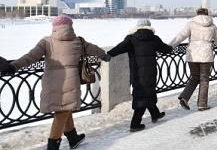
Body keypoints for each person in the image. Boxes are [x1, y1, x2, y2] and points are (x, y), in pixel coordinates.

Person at [6, 15, 110, 150]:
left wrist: (14, 66)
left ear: (54, 28)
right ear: (70, 27)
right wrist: (105, 55)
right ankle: (53, 144)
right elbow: (95, 49)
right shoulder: (79, 41)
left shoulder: (46, 42)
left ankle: (72, 138)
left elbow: (30, 57)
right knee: (63, 110)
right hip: (70, 81)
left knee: (64, 109)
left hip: (51, 81)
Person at [107, 19, 174, 132]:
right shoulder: (154, 38)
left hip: (137, 73)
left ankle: (151, 116)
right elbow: (166, 50)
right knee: (147, 93)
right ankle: (136, 123)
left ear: (137, 27)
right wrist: (171, 47)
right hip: (151, 72)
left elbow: (119, 48)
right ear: (149, 27)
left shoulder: (131, 39)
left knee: (142, 94)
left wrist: (108, 54)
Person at [170, 8, 217, 111]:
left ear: (197, 14)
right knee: (204, 79)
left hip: (192, 55)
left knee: (195, 77)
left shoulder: (191, 24)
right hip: (206, 55)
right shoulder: (212, 25)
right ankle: (202, 104)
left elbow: (181, 36)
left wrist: (170, 46)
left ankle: (185, 97)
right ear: (207, 14)